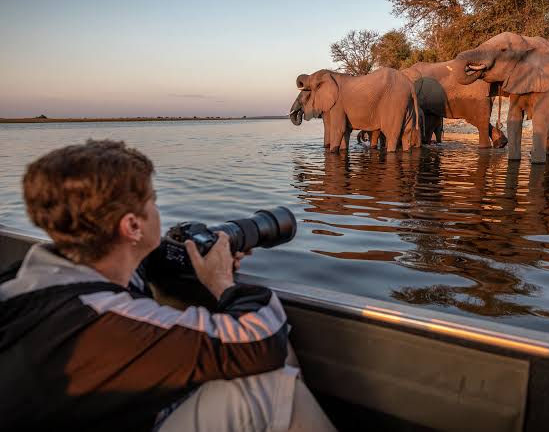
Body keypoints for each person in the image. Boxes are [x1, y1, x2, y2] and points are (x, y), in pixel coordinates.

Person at [0, 139, 335, 432]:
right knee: (273, 391)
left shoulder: (32, 274)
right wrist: (221, 282)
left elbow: (139, 263)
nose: (158, 210)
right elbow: (263, 336)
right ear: (131, 226)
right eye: (153, 201)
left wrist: (185, 250)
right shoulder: (101, 320)